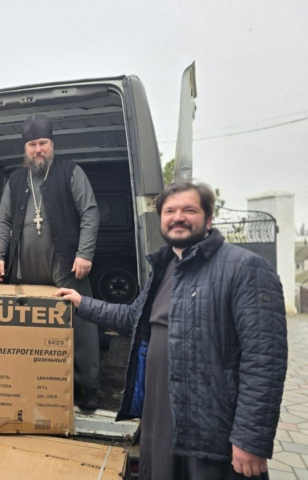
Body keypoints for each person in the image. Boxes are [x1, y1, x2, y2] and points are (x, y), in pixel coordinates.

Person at [56, 181, 287, 479]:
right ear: (161, 219)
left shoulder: (244, 268)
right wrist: (82, 303)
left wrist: (250, 439)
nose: (178, 217)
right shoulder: (165, 268)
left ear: (208, 219)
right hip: (160, 417)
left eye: (189, 210)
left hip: (210, 433)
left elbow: (265, 361)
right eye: (170, 211)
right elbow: (132, 317)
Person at [0, 113, 101, 410]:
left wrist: (85, 253)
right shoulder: (15, 179)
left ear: (52, 144)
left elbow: (89, 212)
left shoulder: (70, 171)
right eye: (32, 144)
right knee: (26, 323)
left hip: (64, 262)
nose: (38, 149)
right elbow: (3, 221)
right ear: (25, 148)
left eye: (43, 143)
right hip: (24, 264)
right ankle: (29, 380)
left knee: (80, 321)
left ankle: (87, 386)